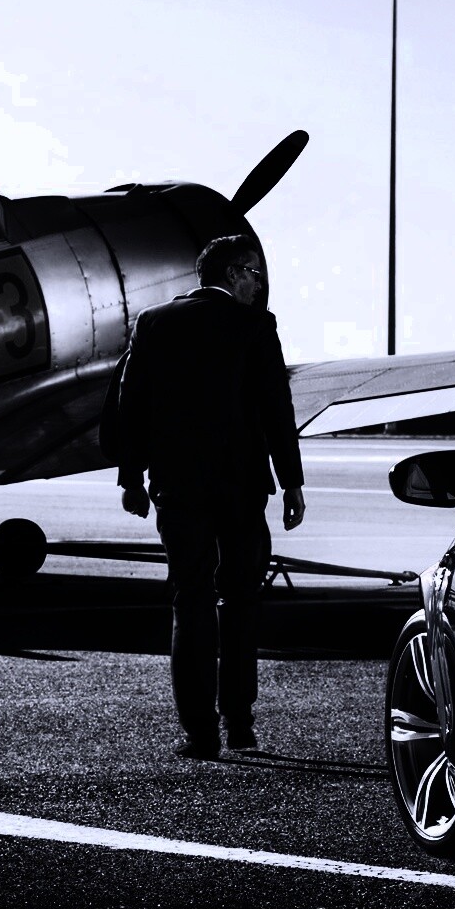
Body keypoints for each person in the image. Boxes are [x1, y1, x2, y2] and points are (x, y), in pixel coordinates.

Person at [112, 233, 306, 760]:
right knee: (241, 600)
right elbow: (276, 408)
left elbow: (130, 406)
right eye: (254, 273)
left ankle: (199, 732)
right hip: (242, 486)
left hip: (178, 487)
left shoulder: (153, 323)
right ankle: (239, 723)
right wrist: (291, 481)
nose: (259, 284)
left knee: (190, 598)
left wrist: (131, 478)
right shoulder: (256, 326)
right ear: (231, 273)